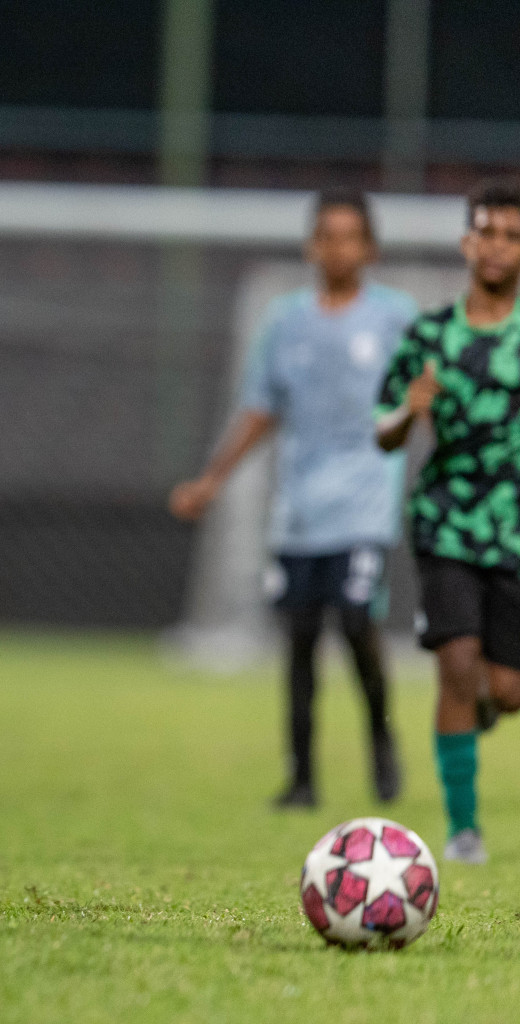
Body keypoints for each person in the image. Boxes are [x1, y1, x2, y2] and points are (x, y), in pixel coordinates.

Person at [170, 190, 417, 809]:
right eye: (326, 235)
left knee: (358, 624)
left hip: (364, 505)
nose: (337, 247)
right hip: (300, 510)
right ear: (312, 245)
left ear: (369, 248)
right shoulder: (285, 320)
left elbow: (427, 393)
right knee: (301, 639)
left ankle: (381, 745)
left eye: (349, 236)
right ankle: (303, 778)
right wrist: (212, 478)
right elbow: (261, 407)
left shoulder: (395, 317)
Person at [376, 178, 520, 865]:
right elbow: (383, 429)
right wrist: (409, 410)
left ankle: (492, 700)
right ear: (467, 240)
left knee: (507, 690)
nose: (497, 246)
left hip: (515, 531)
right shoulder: (430, 333)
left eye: (511, 235)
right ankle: (463, 831)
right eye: (487, 231)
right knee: (456, 666)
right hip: (448, 523)